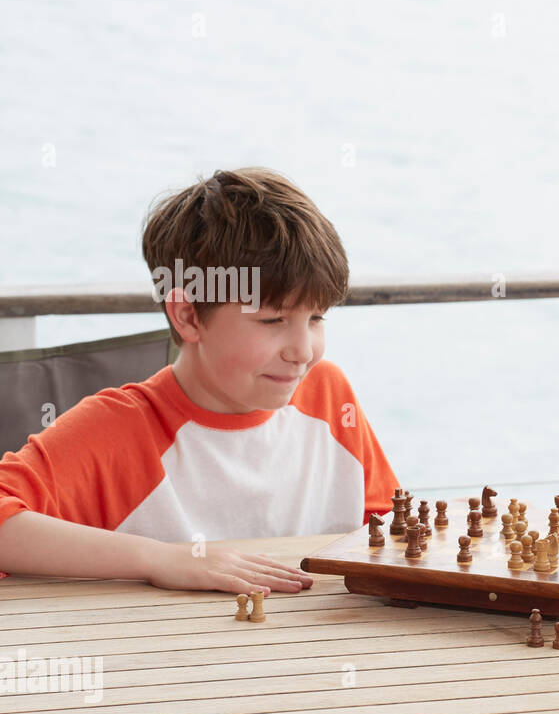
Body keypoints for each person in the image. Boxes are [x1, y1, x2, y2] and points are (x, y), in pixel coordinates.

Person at [0, 168, 398, 595]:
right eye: (273, 320)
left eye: (316, 317)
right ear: (188, 316)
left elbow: (390, 530)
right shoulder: (119, 430)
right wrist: (158, 558)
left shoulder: (327, 393)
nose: (302, 351)